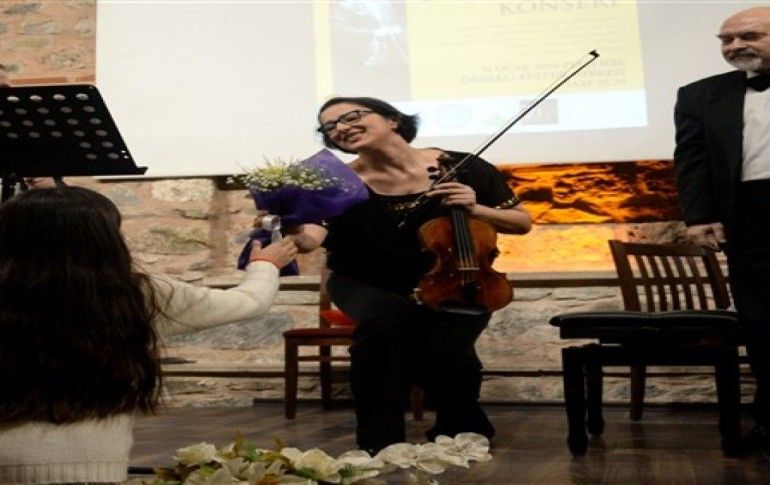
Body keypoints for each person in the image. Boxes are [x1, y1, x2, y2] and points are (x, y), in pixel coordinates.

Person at [0, 186, 297, 483]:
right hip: (97, 469)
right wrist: (266, 264)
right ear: (105, 240)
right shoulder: (138, 295)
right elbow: (248, 301)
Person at [286, 96, 531, 453]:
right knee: (385, 324)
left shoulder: (462, 166)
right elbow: (311, 239)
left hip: (455, 277)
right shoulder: (336, 181)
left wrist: (475, 207)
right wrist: (289, 225)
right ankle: (380, 443)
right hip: (365, 280)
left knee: (448, 346)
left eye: (351, 116)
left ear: (393, 120)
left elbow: (521, 223)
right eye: (330, 127)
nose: (341, 128)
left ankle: (460, 427)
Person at [674, 6, 770, 449]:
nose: (735, 47)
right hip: (749, 215)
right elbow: (691, 162)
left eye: (748, 36)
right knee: (761, 323)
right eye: (726, 40)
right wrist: (698, 217)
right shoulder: (700, 95)